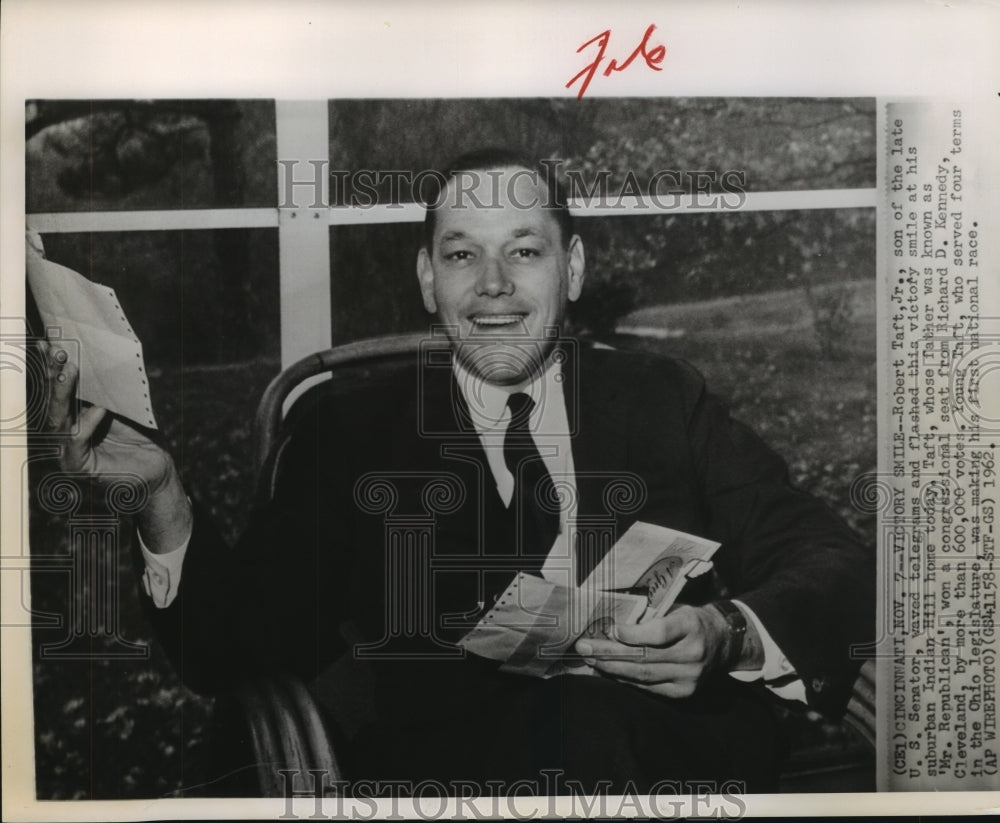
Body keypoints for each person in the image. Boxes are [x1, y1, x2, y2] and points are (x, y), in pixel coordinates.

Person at [41, 148, 874, 795]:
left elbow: (829, 557)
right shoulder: (347, 433)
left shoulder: (661, 397)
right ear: (426, 278)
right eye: (462, 254)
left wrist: (727, 630)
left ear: (573, 269)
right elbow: (239, 647)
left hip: (667, 766)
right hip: (458, 779)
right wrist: (161, 499)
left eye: (525, 250)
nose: (494, 285)